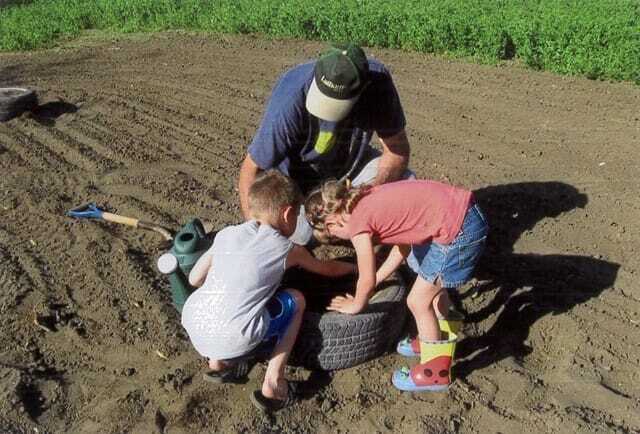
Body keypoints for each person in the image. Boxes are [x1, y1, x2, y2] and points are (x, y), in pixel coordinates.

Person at [181, 170, 355, 411]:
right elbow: (327, 269)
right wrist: (356, 268)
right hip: (236, 336)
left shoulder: (227, 235)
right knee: (297, 299)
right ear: (287, 213)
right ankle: (274, 381)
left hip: (195, 325)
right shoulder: (287, 248)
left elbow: (194, 278)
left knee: (224, 298)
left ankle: (217, 363)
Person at [305, 178, 488, 392]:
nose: (341, 239)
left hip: (457, 231)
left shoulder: (357, 224)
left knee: (418, 301)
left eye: (335, 237)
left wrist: (356, 303)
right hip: (457, 215)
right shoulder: (364, 201)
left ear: (332, 224)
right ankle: (436, 337)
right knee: (428, 279)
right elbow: (402, 247)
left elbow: (365, 277)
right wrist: (378, 280)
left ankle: (434, 372)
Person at [238, 43, 413, 245]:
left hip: (349, 177)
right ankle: (336, 229)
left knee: (407, 182)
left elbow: (397, 150)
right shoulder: (290, 97)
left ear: (363, 89)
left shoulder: (378, 86)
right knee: (301, 235)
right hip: (300, 189)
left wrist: (363, 195)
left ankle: (364, 235)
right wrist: (254, 236)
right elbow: (250, 169)